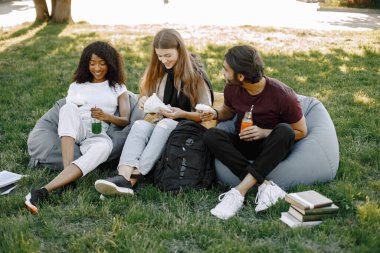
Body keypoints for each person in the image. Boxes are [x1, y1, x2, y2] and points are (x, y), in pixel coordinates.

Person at [94, 28, 212, 196]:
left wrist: (182, 114)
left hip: (188, 128)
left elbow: (206, 114)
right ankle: (123, 175)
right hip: (162, 122)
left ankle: (132, 179)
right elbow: (150, 97)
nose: (163, 60)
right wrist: (144, 101)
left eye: (168, 55)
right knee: (140, 125)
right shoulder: (160, 72)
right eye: (160, 56)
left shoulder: (196, 76)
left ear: (180, 50)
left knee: (164, 124)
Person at [200, 45, 307, 220]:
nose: (222, 73)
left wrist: (265, 132)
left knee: (285, 131)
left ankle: (238, 192)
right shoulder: (232, 89)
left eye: (226, 70)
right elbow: (228, 111)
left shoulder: (282, 95)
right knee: (210, 135)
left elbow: (301, 131)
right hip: (243, 142)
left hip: (270, 147)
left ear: (241, 76)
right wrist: (216, 113)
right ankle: (265, 185)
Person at [24, 41, 130, 214]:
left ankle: (42, 191)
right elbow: (69, 111)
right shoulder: (76, 85)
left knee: (105, 147)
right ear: (86, 64)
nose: (97, 68)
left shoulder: (118, 87)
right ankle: (67, 175)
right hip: (77, 126)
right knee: (67, 107)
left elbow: (125, 119)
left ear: (110, 64)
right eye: (92, 63)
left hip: (98, 131)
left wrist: (107, 117)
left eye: (102, 64)